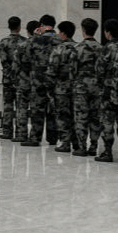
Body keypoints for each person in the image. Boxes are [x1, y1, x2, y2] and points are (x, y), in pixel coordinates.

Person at [23, 15, 61, 147]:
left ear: (41, 25)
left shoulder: (36, 40)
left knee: (37, 110)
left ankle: (35, 138)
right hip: (55, 81)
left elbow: (27, 57)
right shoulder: (60, 39)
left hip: (38, 80)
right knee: (52, 109)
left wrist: (34, 37)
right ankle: (53, 138)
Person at [71, 18, 102, 157]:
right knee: (95, 117)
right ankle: (94, 146)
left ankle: (82, 146)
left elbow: (72, 70)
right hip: (97, 87)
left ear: (83, 30)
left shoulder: (78, 48)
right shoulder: (101, 48)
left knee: (81, 117)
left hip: (81, 87)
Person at [94, 18, 118, 163]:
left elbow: (99, 70)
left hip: (108, 90)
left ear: (108, 33)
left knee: (107, 121)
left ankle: (107, 151)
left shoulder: (106, 48)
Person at [0, 16, 29, 140]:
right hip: (22, 78)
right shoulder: (25, 42)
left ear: (8, 26)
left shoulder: (4, 42)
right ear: (20, 27)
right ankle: (21, 133)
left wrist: (10, 74)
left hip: (7, 79)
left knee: (8, 105)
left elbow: (3, 61)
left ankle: (7, 132)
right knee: (21, 106)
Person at [49, 21, 78, 151]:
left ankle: (65, 143)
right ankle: (77, 143)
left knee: (62, 116)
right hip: (76, 88)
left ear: (63, 33)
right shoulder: (78, 47)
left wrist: (50, 86)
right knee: (76, 115)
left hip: (61, 88)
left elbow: (52, 70)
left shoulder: (58, 49)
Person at [12, 20, 40, 141]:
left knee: (21, 109)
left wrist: (16, 79)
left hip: (23, 81)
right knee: (35, 110)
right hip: (37, 82)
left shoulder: (21, 46)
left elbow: (15, 66)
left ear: (27, 31)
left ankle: (21, 134)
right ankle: (34, 136)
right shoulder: (41, 46)